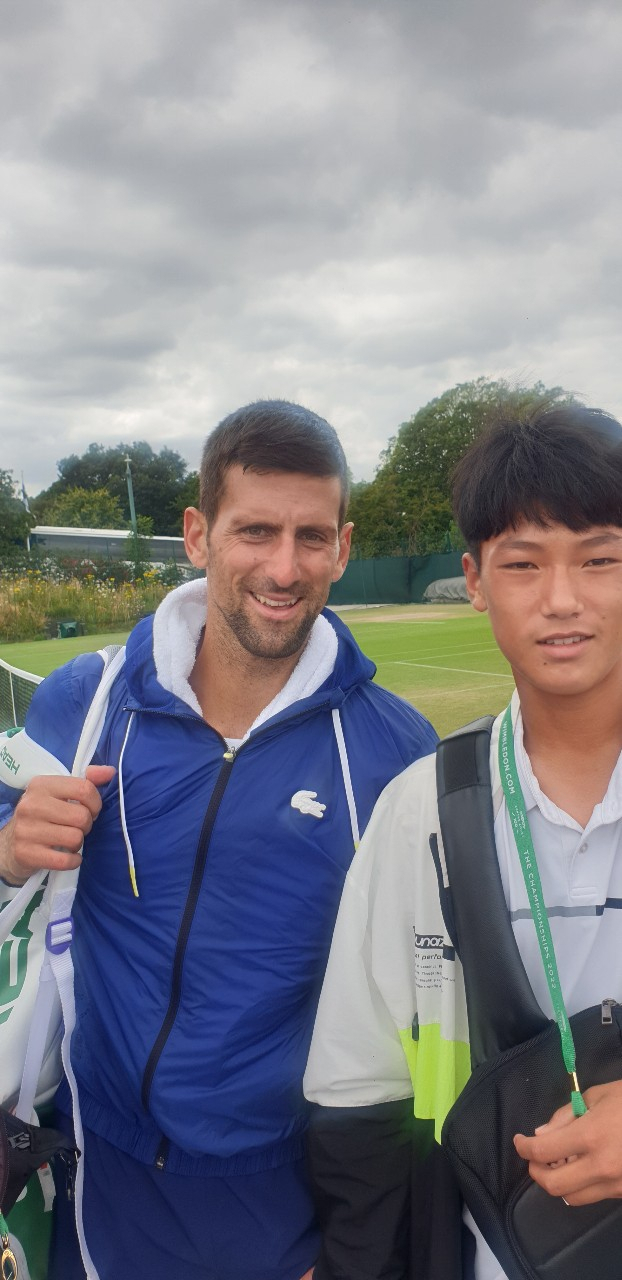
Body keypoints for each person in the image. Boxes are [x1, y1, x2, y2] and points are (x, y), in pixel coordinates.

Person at [0, 399, 436, 1280]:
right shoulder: (83, 705)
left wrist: (355, 1245)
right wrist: (7, 849)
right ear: (198, 535)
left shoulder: (398, 753)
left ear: (344, 548)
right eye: (256, 531)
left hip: (281, 1203)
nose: (285, 567)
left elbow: (423, 1017)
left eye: (312, 537)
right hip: (99, 1179)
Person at [304, 399, 622, 1280]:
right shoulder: (422, 810)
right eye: (524, 564)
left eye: (601, 558)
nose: (563, 599)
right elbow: (356, 1088)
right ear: (476, 580)